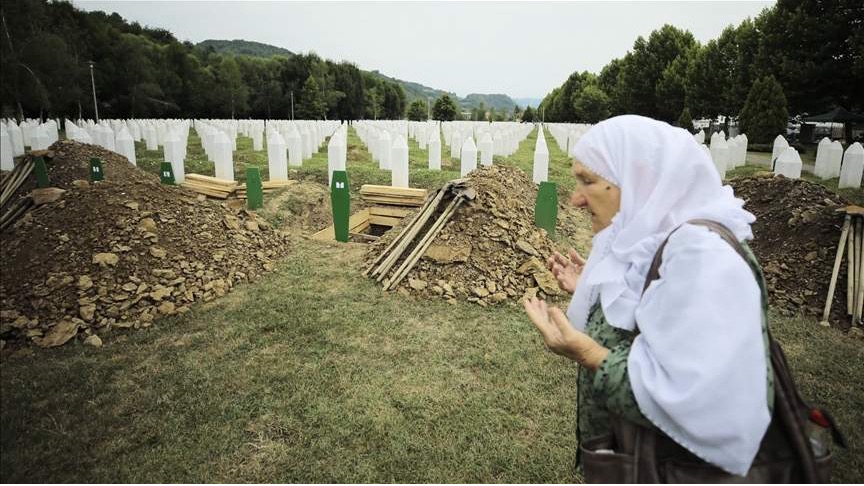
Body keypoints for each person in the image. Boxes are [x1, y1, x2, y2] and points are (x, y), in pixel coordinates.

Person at [523, 115, 772, 477]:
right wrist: (591, 295)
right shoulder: (654, 238)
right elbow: (663, 309)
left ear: (640, 180)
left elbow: (701, 399)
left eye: (588, 182)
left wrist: (588, 352)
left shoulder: (704, 258)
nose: (575, 200)